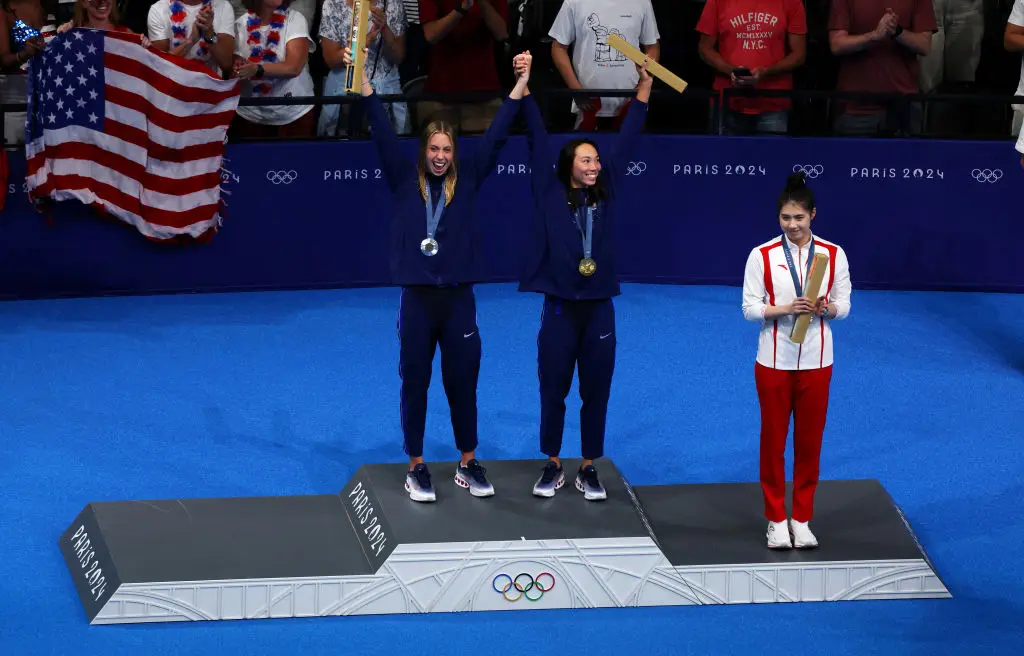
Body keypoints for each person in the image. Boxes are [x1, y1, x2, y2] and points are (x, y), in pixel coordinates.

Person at [340, 43, 528, 502]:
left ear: (454, 152)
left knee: (463, 382)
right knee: (417, 383)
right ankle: (416, 466)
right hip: (419, 302)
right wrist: (364, 83)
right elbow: (382, 131)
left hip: (459, 300)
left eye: (447, 149)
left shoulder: (472, 175)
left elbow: (499, 133)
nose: (440, 156)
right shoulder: (404, 180)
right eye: (434, 148)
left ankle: (467, 462)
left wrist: (520, 86)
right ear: (423, 150)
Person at [515, 49, 652, 501]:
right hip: (558, 309)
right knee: (552, 391)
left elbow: (629, 136)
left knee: (596, 392)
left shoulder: (607, 191)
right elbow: (536, 136)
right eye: (585, 159)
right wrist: (527, 85)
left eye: (596, 160)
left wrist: (644, 87)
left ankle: (588, 466)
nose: (593, 166)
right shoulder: (547, 192)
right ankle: (553, 463)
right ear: (569, 164)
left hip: (599, 313)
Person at [741, 172, 852, 549]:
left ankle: (801, 518)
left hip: (819, 361)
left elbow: (845, 305)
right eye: (786, 219)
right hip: (773, 361)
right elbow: (749, 309)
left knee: (809, 443)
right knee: (773, 442)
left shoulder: (833, 254)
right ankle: (775, 518)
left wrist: (826, 309)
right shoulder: (763, 255)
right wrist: (785, 308)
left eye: (799, 218)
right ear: (778, 219)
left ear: (813, 215)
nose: (793, 225)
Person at [230, 0, 315, 138]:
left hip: (293, 114)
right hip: (251, 115)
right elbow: (233, 67)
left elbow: (294, 67)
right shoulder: (240, 24)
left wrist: (257, 69)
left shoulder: (295, 19)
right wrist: (238, 67)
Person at [148, 0, 236, 76]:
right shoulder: (159, 9)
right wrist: (190, 41)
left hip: (208, 88)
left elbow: (226, 63)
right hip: (173, 87)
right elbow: (159, 66)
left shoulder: (223, 7)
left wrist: (209, 34)